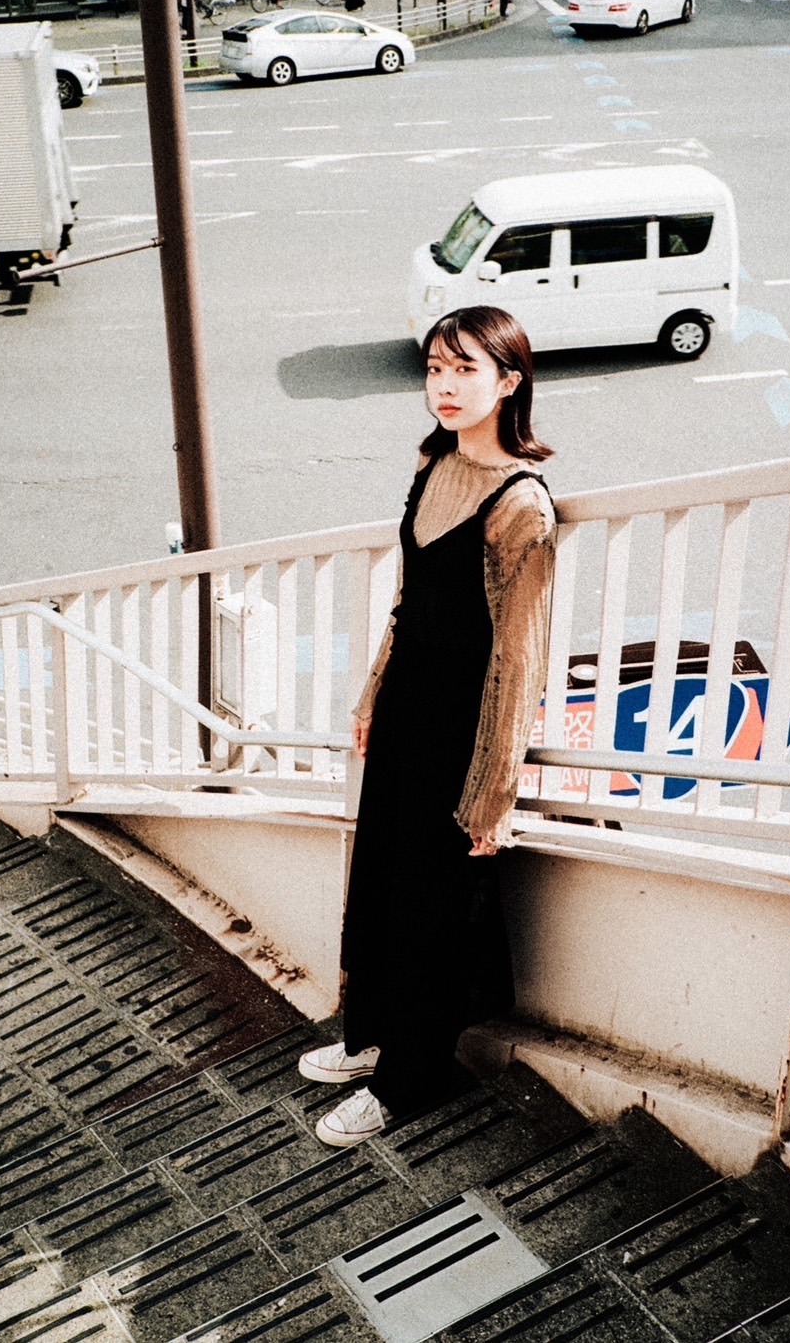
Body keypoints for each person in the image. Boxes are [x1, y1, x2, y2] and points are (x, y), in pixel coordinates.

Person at [298, 306, 556, 1147]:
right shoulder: (433, 460)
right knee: (381, 881)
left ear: (508, 382)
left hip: (460, 725)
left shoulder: (521, 504)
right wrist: (373, 692)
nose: (443, 385)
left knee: (430, 907)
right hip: (408, 706)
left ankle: (408, 1080)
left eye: (464, 369)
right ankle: (372, 1039)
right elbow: (408, 598)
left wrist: (493, 789)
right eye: (434, 368)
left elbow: (518, 656)